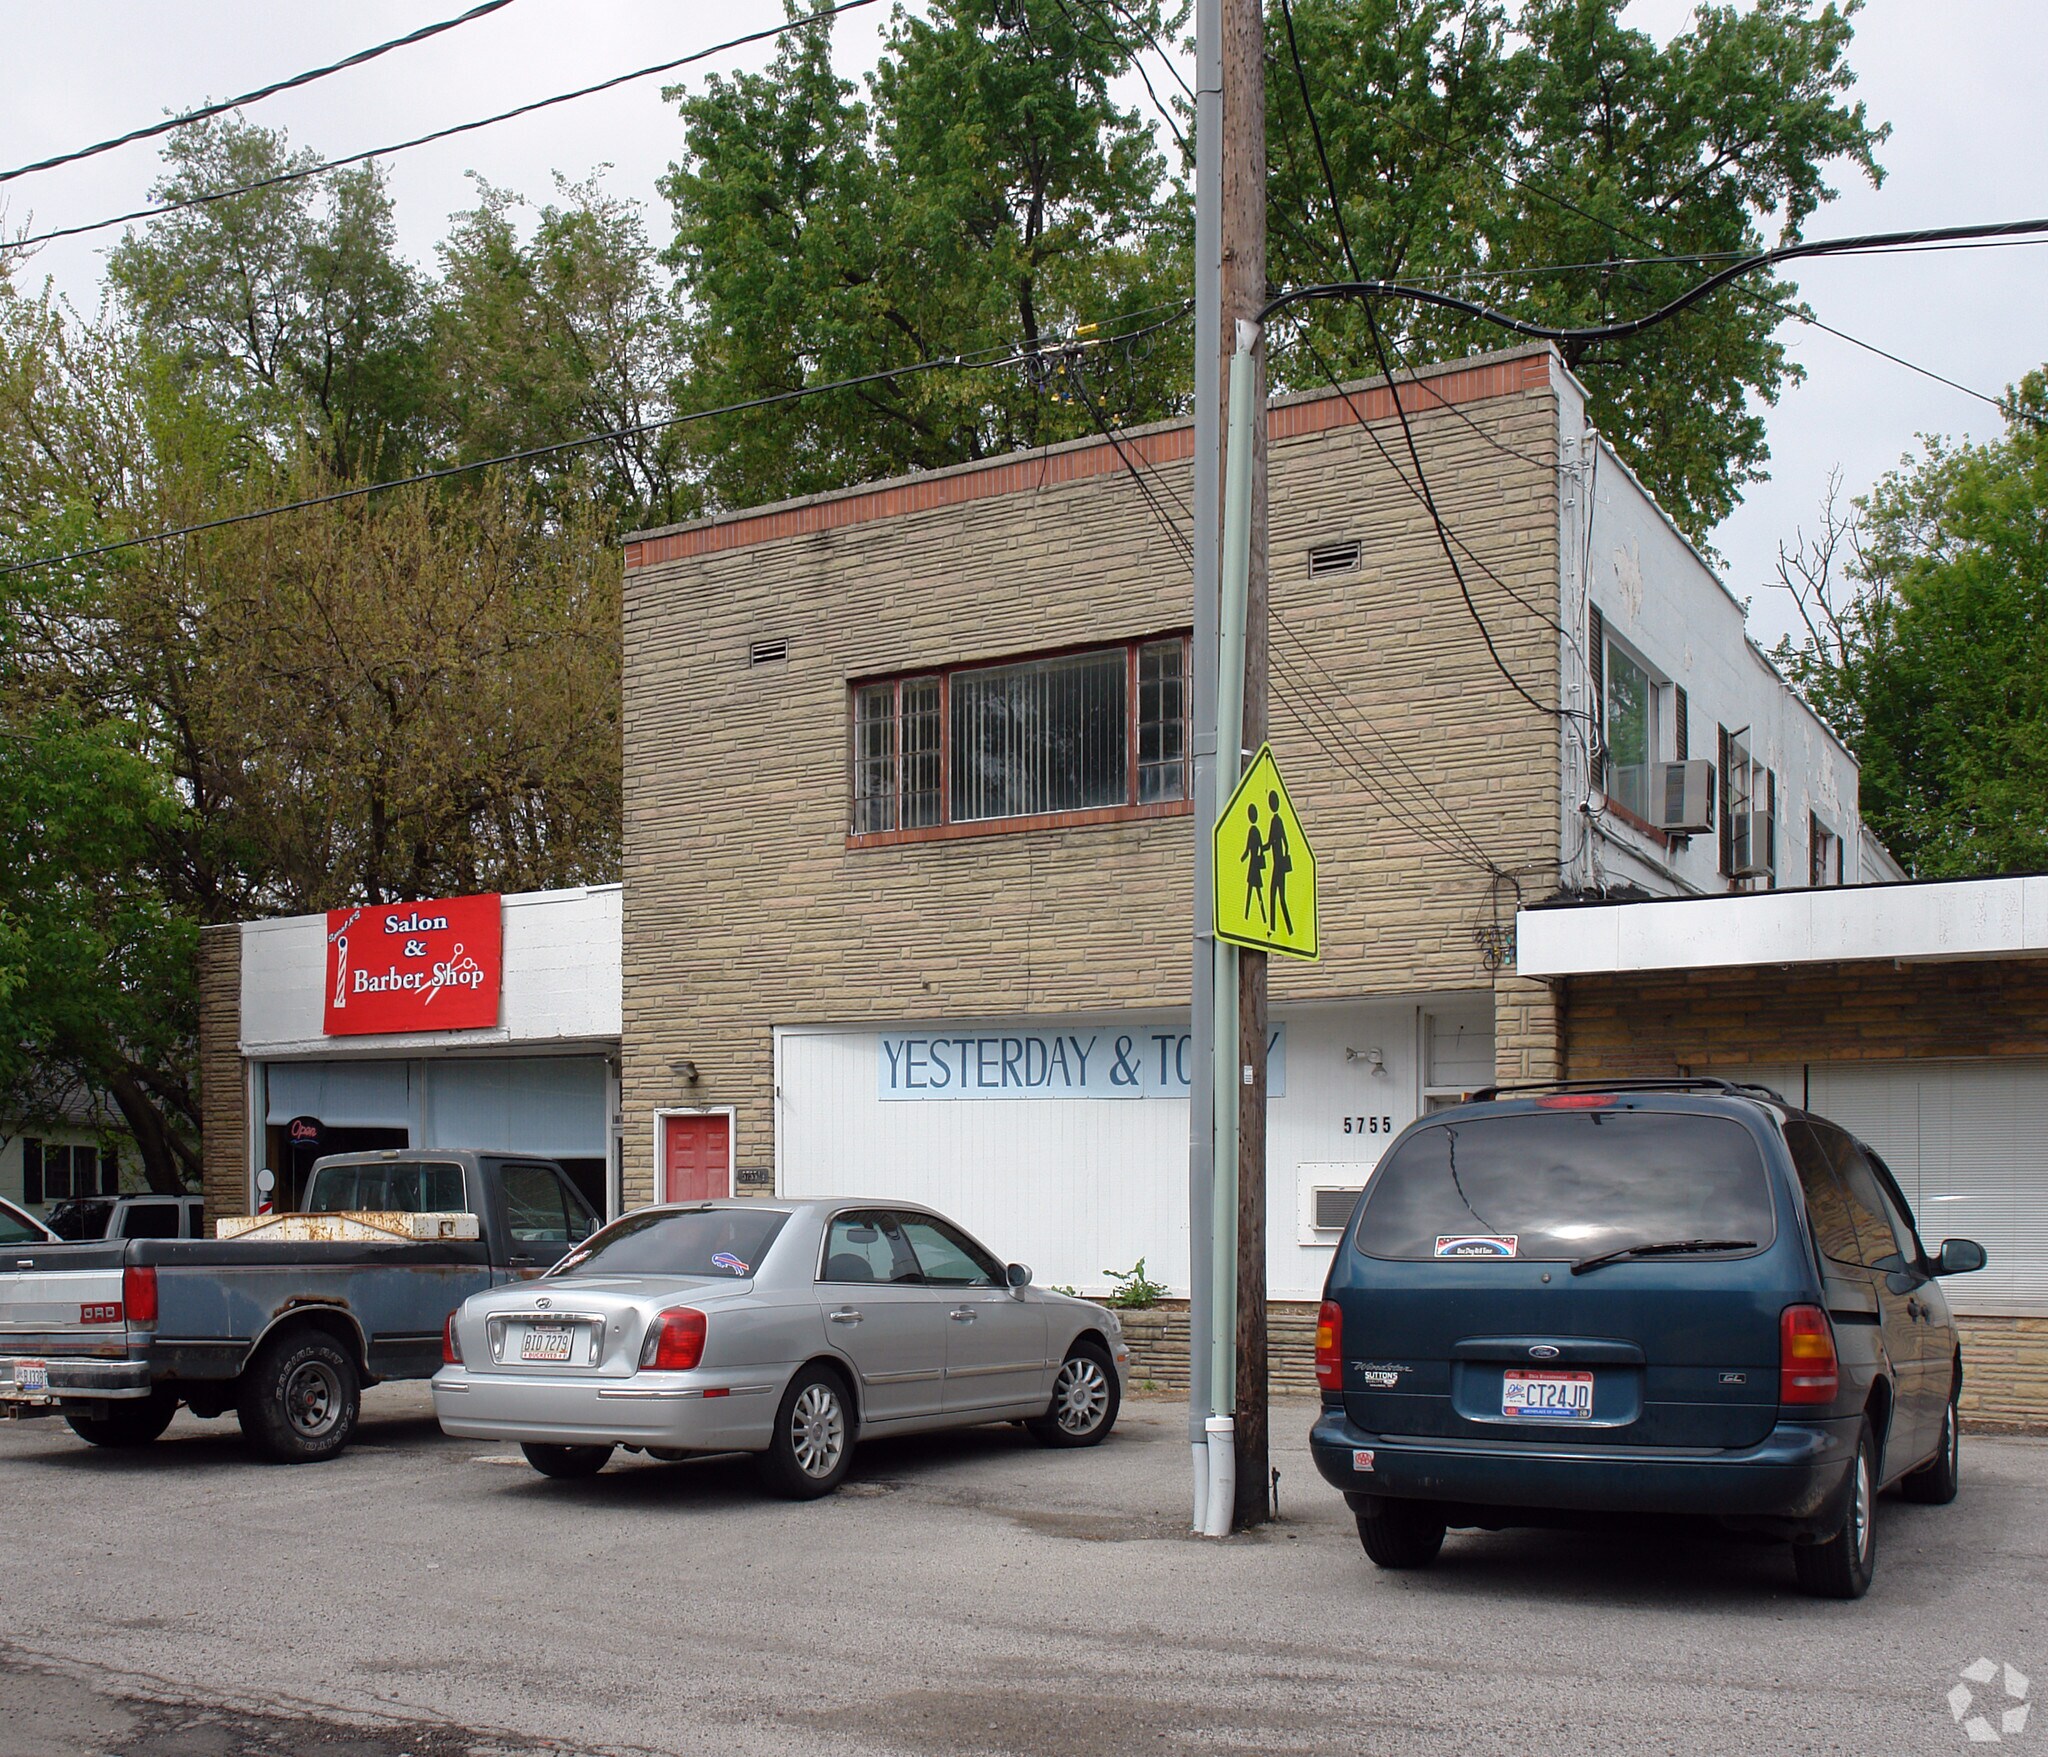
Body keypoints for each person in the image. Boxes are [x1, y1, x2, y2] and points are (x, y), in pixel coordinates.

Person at [1266, 791, 1295, 935]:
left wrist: (1283, 858)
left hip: (1278, 866)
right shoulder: (1275, 821)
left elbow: (1283, 841)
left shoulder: (1276, 821)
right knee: (1277, 896)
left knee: (1276, 896)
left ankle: (1281, 928)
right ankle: (1283, 928)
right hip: (1278, 865)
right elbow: (1273, 842)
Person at [1240, 802, 1268, 925]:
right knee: (1253, 891)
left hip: (1253, 865)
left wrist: (1242, 858)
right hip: (1254, 864)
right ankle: (1254, 916)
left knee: (1253, 891)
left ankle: (1252, 916)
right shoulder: (1255, 831)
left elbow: (1248, 849)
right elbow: (1259, 847)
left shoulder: (1253, 831)